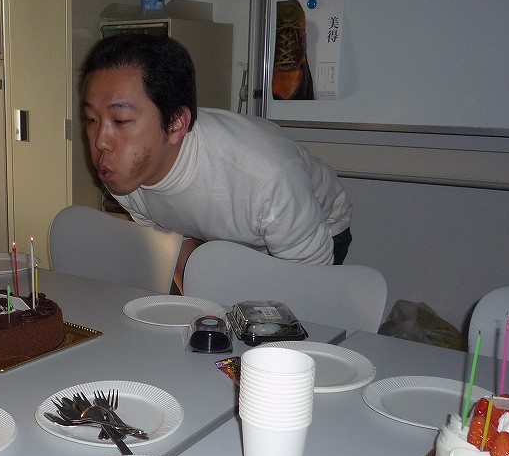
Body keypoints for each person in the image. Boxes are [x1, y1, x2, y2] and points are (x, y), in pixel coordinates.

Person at [80, 34, 353, 291]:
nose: (101, 142)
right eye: (92, 119)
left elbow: (309, 289)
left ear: (175, 125)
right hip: (230, 234)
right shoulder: (122, 172)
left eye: (121, 121)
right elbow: (173, 242)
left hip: (312, 228)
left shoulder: (265, 176)